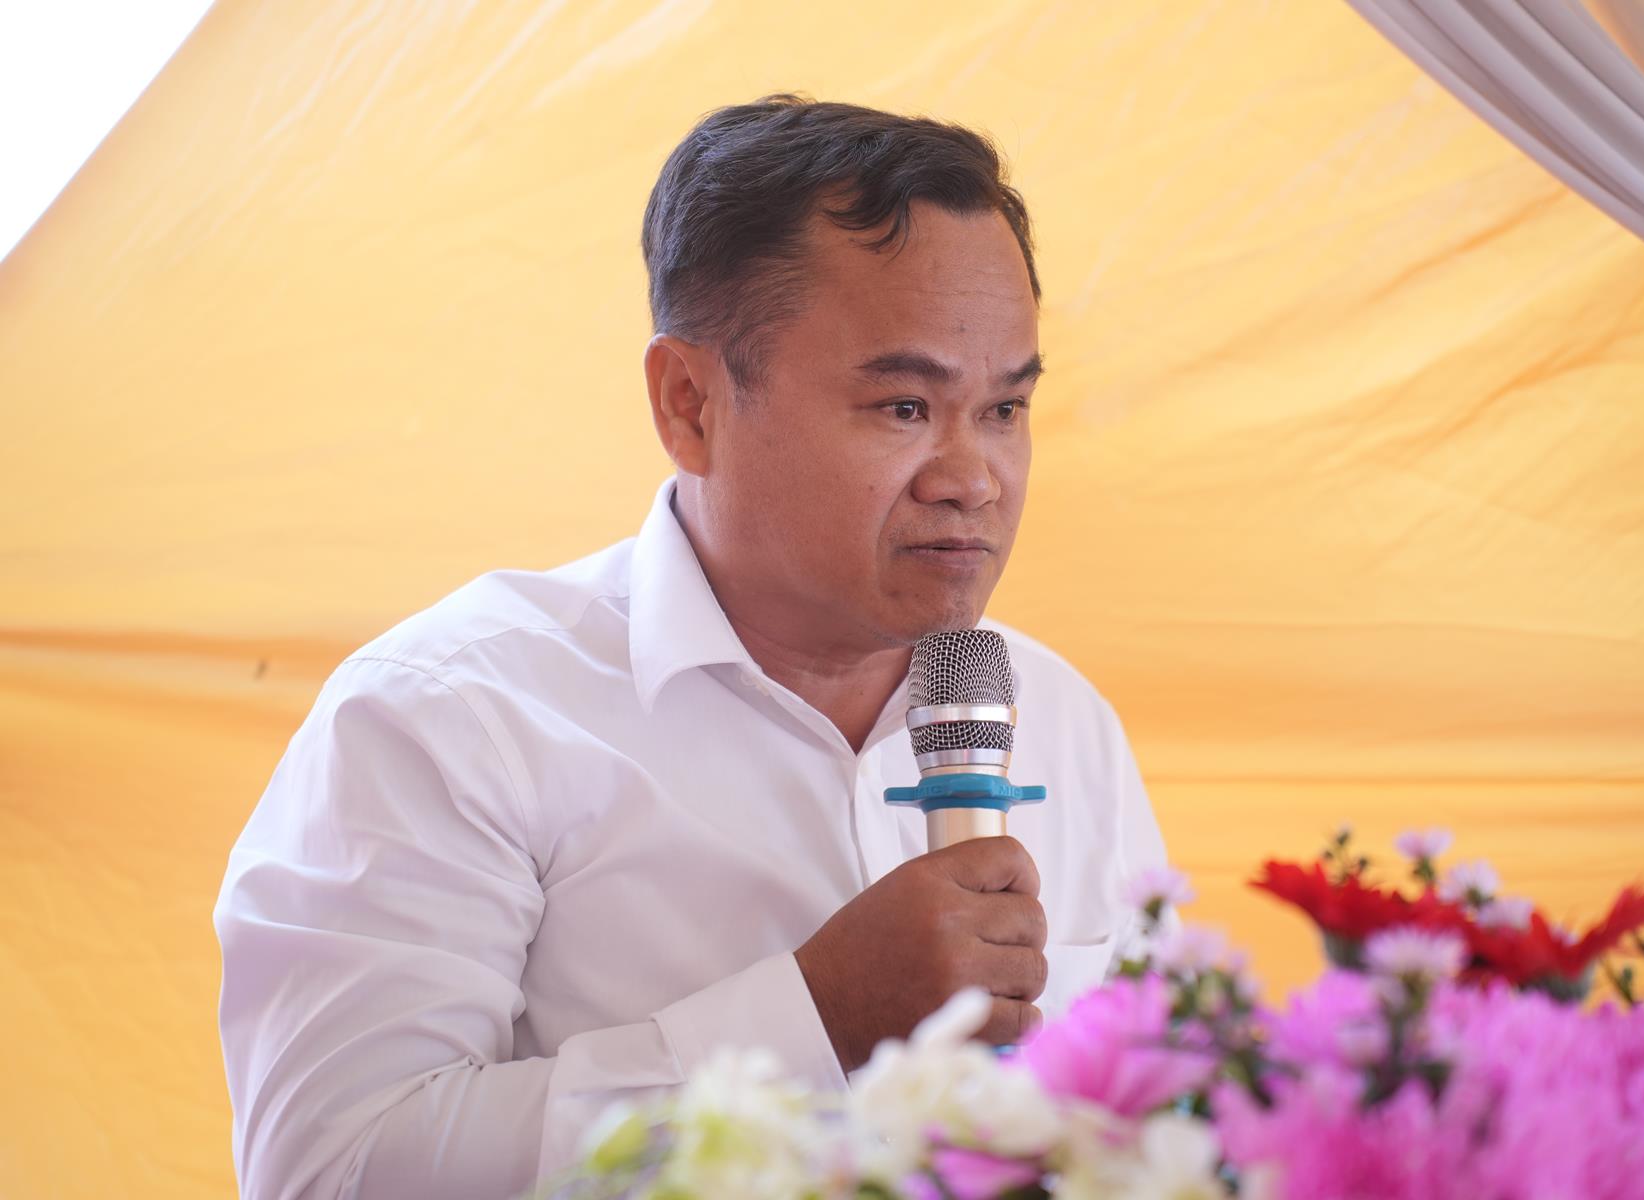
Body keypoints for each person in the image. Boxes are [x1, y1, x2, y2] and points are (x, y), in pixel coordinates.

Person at [214, 94, 1167, 1200]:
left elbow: (1171, 1110)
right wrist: (812, 1018)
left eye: (1004, 410)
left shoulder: (1064, 718)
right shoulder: (453, 717)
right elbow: (328, 1168)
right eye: (906, 407)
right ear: (690, 405)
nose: (974, 479)